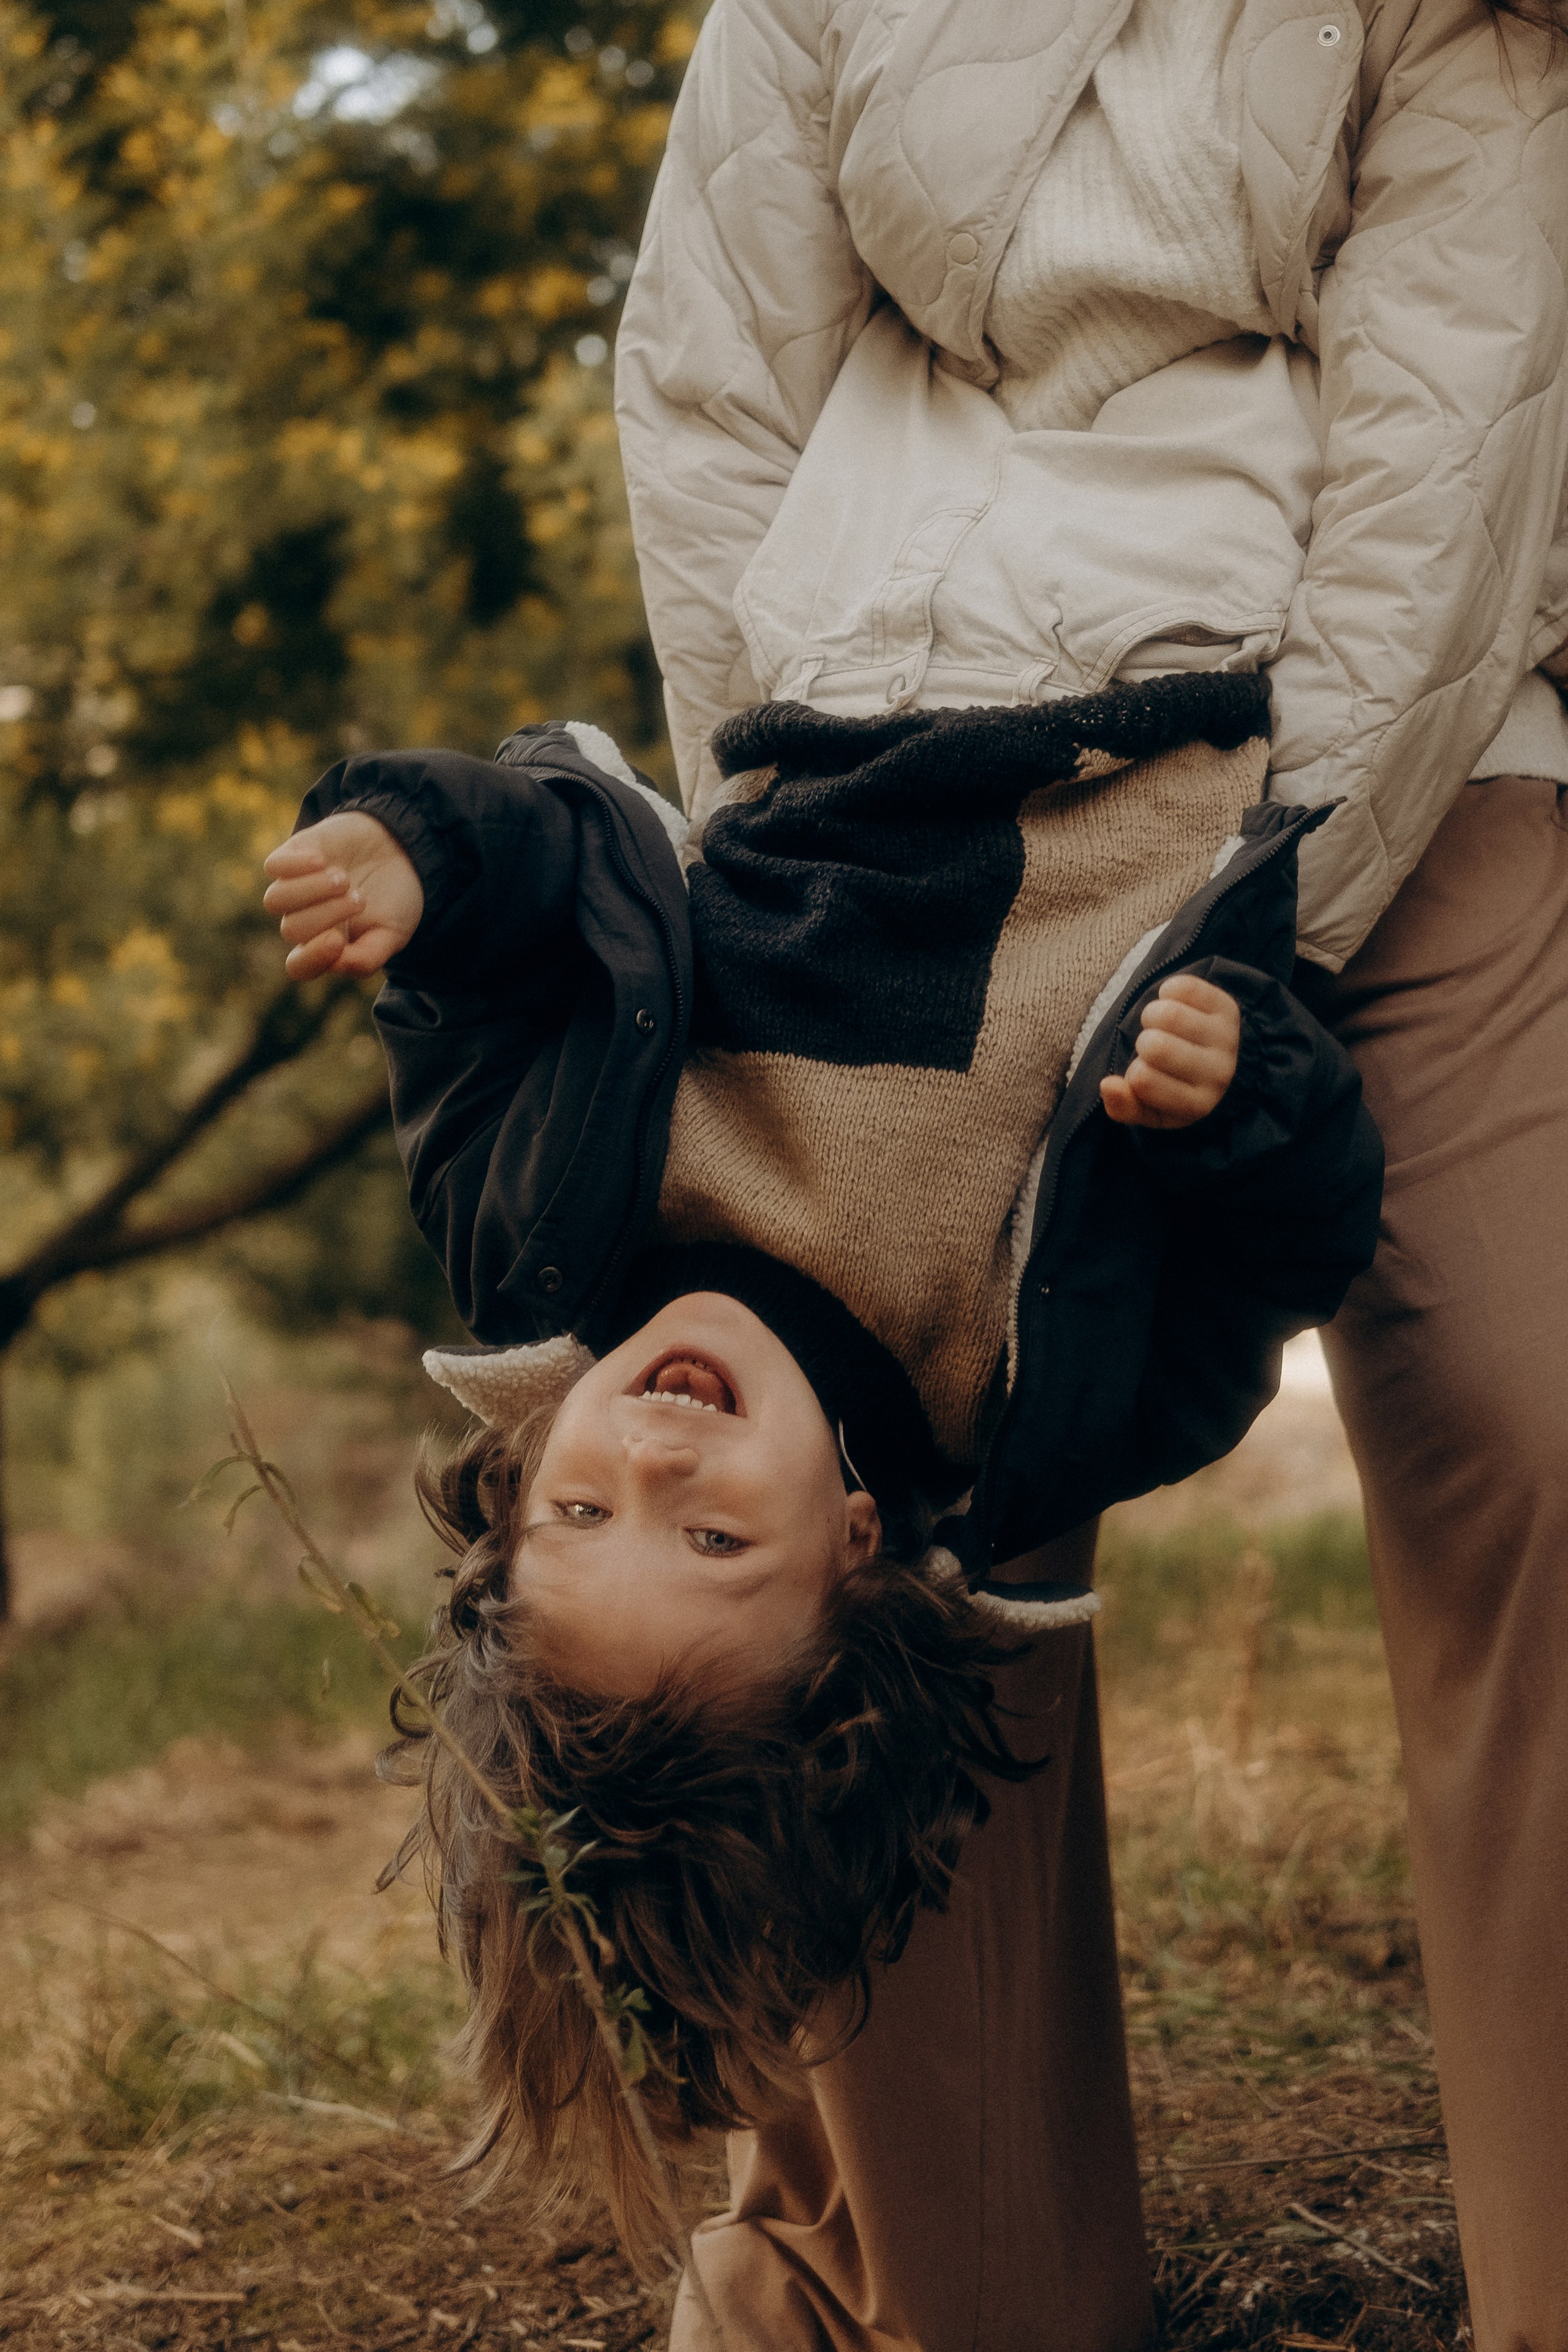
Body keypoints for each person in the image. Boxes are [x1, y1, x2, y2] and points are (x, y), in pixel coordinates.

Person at [606, 0, 1568, 2342]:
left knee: (1546, 1429)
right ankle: (924, 2286)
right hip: (903, 790)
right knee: (879, 1497)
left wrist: (1231, 920)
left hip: (1387, 771)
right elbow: (717, 398)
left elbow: (1449, 449)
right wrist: (805, 864)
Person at [262, 677, 1380, 2344]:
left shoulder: (535, 1232)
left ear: (510, 1499)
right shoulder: (1038, 1405)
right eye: (714, 1542)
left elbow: (509, 950)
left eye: (580, 1511)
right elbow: (1284, 1259)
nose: (653, 1460)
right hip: (1144, 732)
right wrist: (1247, 1103)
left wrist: (421, 862)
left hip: (848, 694)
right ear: (859, 1558)